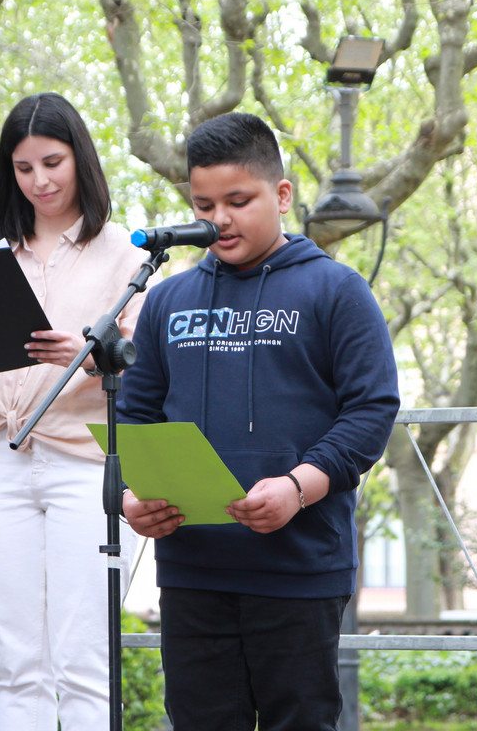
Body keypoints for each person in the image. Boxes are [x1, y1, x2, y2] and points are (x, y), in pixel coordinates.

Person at [119, 112, 401, 731]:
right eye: (204, 205)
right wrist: (130, 497)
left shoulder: (337, 291)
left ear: (282, 194)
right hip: (192, 570)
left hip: (300, 567)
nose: (218, 219)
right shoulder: (165, 299)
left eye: (238, 201)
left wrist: (299, 487)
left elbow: (371, 410)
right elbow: (132, 417)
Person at [0, 92, 151, 729]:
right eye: (23, 168)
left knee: (84, 659)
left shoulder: (129, 256)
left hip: (86, 465)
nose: (40, 181)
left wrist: (83, 358)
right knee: (17, 661)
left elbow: (145, 369)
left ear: (80, 158)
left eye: (52, 163)